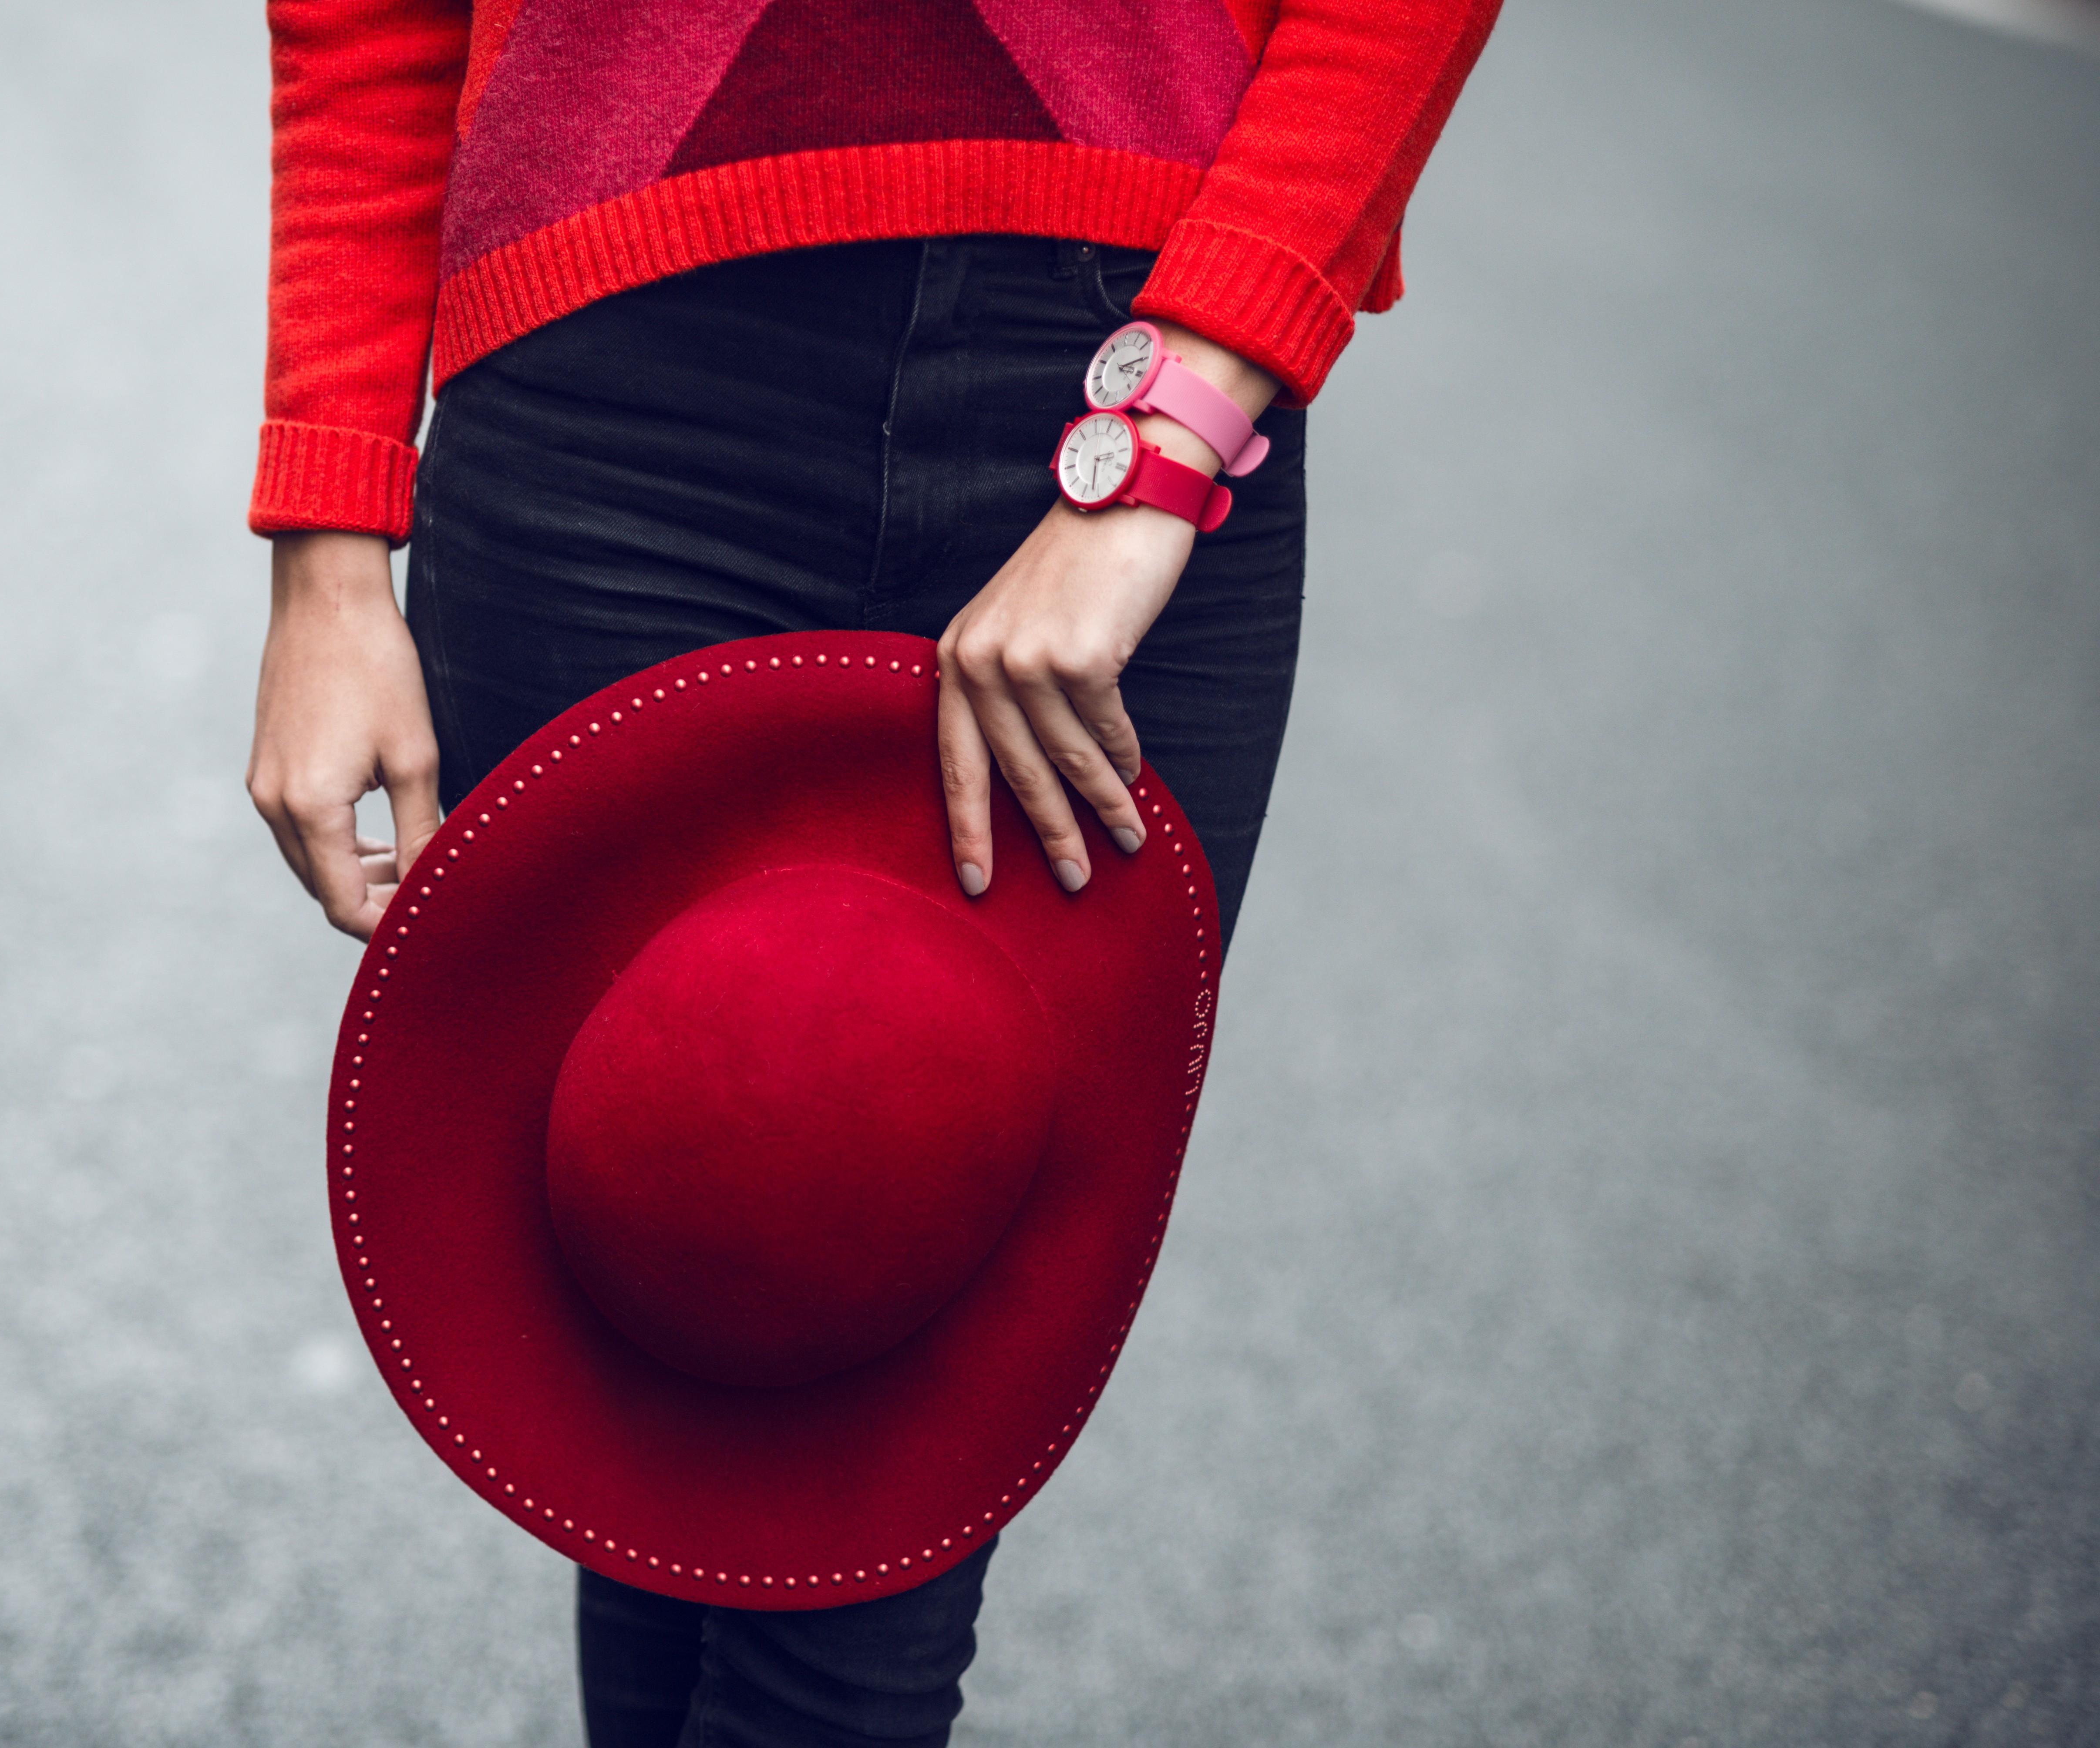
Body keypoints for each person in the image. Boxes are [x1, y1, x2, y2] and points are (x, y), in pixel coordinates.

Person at [244, 3, 1498, 1742]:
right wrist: (328, 536)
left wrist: (1179, 424)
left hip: (1130, 353)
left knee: (876, 1503)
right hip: (610, 393)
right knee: (677, 1336)